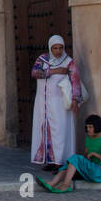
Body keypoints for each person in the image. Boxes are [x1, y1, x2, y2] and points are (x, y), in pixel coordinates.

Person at [30, 34, 85, 169]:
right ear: (50, 48)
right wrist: (54, 71)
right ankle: (49, 161)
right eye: (55, 48)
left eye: (61, 48)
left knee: (60, 131)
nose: (58, 51)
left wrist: (74, 100)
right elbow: (35, 73)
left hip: (59, 104)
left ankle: (60, 161)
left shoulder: (69, 62)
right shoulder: (42, 60)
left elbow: (75, 81)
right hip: (42, 103)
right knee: (45, 130)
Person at [40, 114, 101, 193]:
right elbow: (85, 156)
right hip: (90, 169)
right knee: (68, 166)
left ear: (97, 126)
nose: (88, 129)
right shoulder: (88, 139)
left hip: (100, 172)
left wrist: (95, 154)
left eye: (90, 127)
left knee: (75, 158)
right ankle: (52, 184)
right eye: (87, 127)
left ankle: (66, 185)